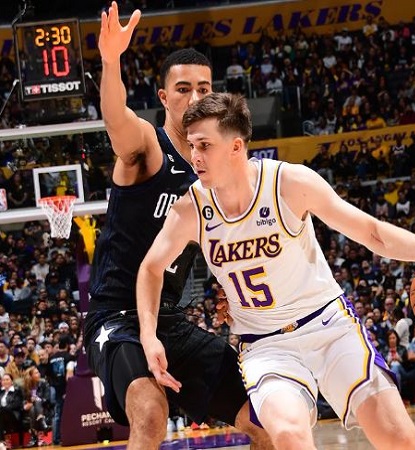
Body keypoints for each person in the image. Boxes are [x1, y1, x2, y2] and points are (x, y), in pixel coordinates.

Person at [137, 92, 415, 449]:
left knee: (398, 438)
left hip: (328, 326)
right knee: (289, 436)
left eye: (204, 145)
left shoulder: (289, 183)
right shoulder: (192, 209)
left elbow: (372, 233)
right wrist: (149, 336)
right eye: (192, 145)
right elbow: (150, 269)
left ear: (236, 146)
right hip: (266, 346)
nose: (195, 156)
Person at [82, 4, 272, 450]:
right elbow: (116, 117)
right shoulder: (149, 147)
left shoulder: (217, 170)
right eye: (182, 88)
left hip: (171, 319)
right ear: (164, 98)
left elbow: (226, 242)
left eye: (203, 88)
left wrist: (230, 287)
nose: (194, 97)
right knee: (150, 412)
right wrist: (111, 62)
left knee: (269, 420)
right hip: (118, 318)